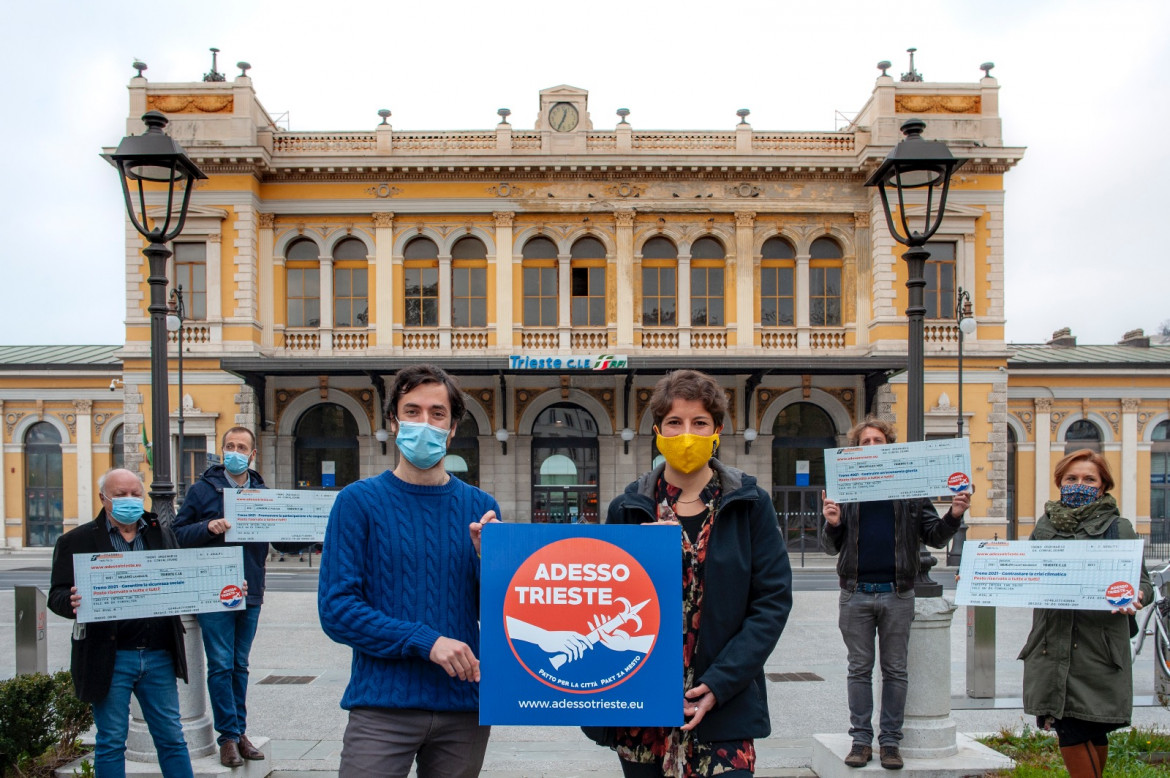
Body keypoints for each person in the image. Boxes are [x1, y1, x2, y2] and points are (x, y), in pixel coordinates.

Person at [601, 369, 793, 777]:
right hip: (643, 707)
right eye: (674, 422)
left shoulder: (750, 504)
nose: (686, 433)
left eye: (699, 423)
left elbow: (772, 602)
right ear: (657, 431)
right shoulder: (628, 509)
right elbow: (598, 596)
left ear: (717, 430)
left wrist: (721, 683)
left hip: (724, 704)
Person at [318, 364, 500, 778]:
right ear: (394, 422)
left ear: (453, 428)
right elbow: (337, 610)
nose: (425, 423)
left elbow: (500, 613)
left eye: (437, 414)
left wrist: (489, 563)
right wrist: (424, 640)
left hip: (463, 709)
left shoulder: (480, 506)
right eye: (412, 411)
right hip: (383, 707)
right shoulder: (357, 502)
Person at [820, 417, 969, 770]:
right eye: (866, 441)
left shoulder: (910, 487)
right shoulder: (843, 487)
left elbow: (932, 535)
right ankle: (860, 740)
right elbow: (829, 547)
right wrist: (832, 522)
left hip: (897, 593)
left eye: (879, 440)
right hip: (855, 593)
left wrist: (954, 514)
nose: (873, 446)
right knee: (858, 669)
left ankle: (890, 742)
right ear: (856, 449)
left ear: (890, 446)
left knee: (895, 670)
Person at [48, 468, 194, 778]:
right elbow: (56, 595)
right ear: (103, 498)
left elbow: (183, 578)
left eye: (135, 494)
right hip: (109, 657)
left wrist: (223, 593)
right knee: (111, 741)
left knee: (171, 738)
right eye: (120, 494)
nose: (130, 500)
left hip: (158, 654)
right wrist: (70, 602)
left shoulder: (161, 533)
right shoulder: (76, 540)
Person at [1021, 448, 1152, 778]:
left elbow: (1143, 583)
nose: (1079, 484)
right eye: (1071, 479)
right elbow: (1025, 574)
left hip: (1098, 647)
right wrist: (984, 575)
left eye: (1088, 479)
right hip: (1052, 645)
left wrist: (1136, 594)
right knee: (1074, 728)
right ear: (1060, 483)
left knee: (1088, 728)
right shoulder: (1044, 528)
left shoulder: (1118, 528)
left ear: (1103, 485)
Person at [174, 426, 298, 767]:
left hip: (251, 589)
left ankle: (240, 731)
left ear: (252, 454)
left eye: (241, 446)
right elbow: (178, 534)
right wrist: (207, 527)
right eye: (229, 445)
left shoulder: (261, 492)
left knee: (239, 665)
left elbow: (281, 540)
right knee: (221, 664)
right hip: (214, 590)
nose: (235, 451)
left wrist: (311, 530)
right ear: (221, 450)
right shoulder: (202, 490)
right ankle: (227, 737)